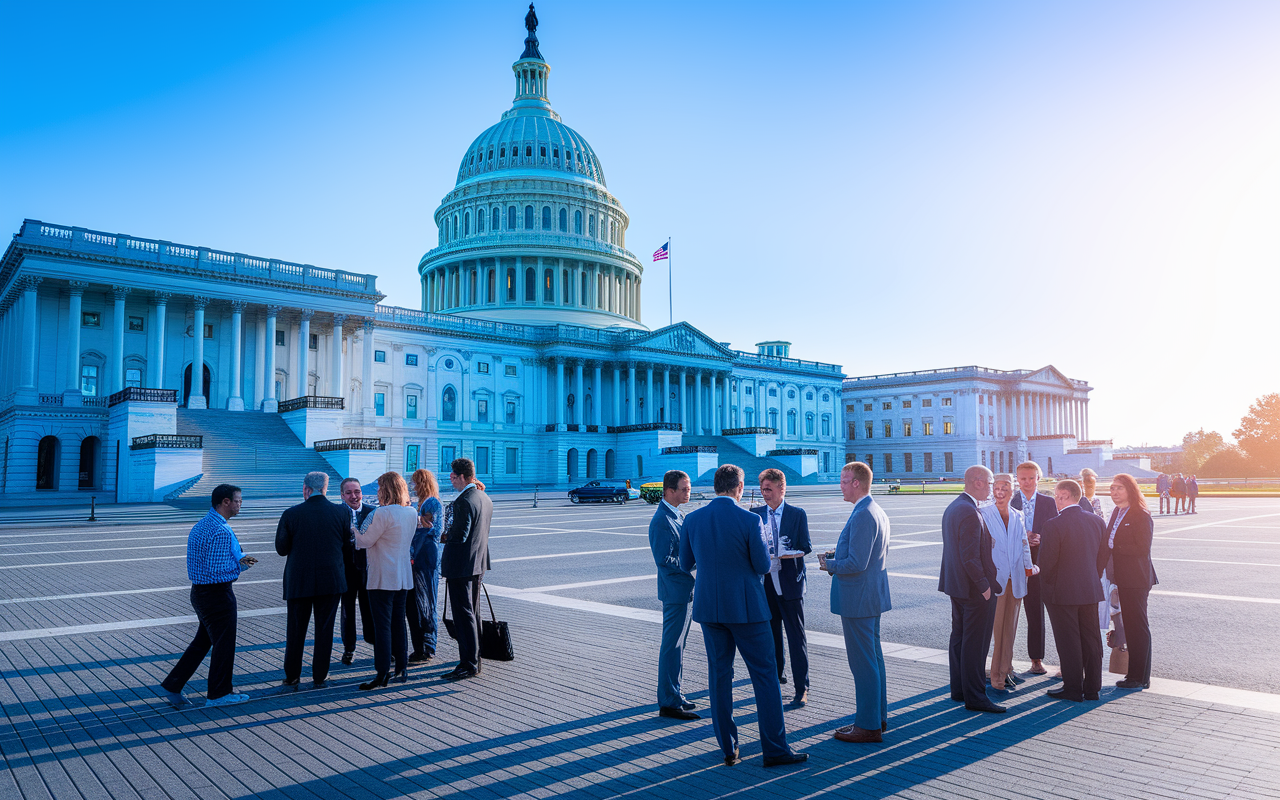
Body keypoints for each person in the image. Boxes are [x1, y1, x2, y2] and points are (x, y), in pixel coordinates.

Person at [679, 465, 807, 768]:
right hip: (748, 609)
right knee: (765, 677)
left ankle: (729, 748)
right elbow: (763, 565)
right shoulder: (750, 519)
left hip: (710, 608)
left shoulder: (693, 519)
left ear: (714, 486)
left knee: (719, 677)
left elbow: (686, 563)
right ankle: (774, 749)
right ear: (739, 486)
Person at [160, 484, 255, 708]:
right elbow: (218, 571)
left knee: (202, 642)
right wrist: (244, 566)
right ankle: (218, 693)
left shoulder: (202, 525)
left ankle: (173, 684)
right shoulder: (221, 530)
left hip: (200, 593)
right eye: (238, 500)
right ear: (225, 502)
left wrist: (239, 561)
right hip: (218, 595)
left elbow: (207, 563)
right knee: (224, 645)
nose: (241, 504)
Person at [821, 461, 891, 743]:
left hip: (858, 598)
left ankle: (867, 725)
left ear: (857, 483)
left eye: (844, 479)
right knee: (873, 660)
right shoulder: (873, 509)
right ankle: (877, 718)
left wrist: (830, 564)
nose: (841, 484)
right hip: (869, 596)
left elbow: (856, 563)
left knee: (863, 664)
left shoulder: (863, 514)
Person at [275, 471, 350, 689]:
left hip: (299, 580)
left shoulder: (291, 514)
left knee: (296, 630)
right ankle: (320, 675)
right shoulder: (341, 512)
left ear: (306, 489)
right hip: (331, 579)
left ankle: (292, 676)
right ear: (325, 488)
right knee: (325, 630)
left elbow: (281, 549)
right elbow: (347, 545)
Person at [939, 465, 1003, 713]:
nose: (991, 488)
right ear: (977, 482)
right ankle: (976, 697)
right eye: (989, 483)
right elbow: (969, 557)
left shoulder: (955, 506)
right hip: (974, 589)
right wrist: (985, 587)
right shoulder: (969, 511)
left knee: (960, 639)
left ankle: (960, 690)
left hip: (957, 586)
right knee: (975, 644)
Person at [1039, 479, 1106, 702]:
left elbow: (1047, 563)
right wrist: (1091, 576)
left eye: (1057, 496)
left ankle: (1073, 688)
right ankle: (1093, 687)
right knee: (1091, 639)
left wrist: (1046, 587)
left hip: (1062, 593)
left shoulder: (1053, 525)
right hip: (1089, 588)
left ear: (1064, 496)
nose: (1055, 501)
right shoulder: (1096, 521)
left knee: (1068, 641)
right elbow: (1102, 556)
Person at [750, 468, 812, 706]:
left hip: (790, 583)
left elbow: (805, 546)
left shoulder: (797, 514)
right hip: (766, 585)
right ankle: (776, 677)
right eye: (763, 489)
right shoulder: (755, 514)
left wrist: (787, 552)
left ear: (781, 489)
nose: (765, 494)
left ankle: (801, 688)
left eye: (768, 489)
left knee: (796, 637)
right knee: (771, 634)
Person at [354, 471, 417, 689]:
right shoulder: (410, 512)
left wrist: (353, 529)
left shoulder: (383, 514)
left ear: (386, 490)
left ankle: (382, 674)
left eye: (380, 487)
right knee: (399, 623)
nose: (378, 491)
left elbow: (365, 541)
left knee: (382, 627)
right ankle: (402, 668)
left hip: (382, 577)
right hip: (402, 578)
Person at [1100, 473, 1158, 690]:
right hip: (1121, 578)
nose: (1114, 492)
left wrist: (1117, 548)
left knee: (1137, 626)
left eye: (1119, 489)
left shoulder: (1140, 514)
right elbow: (1107, 543)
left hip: (1136, 578)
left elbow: (1143, 548)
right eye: (1112, 488)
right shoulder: (1117, 512)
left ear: (1130, 490)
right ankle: (1137, 676)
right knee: (1131, 626)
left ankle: (1139, 677)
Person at [649, 469, 698, 721]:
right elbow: (664, 560)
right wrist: (694, 562)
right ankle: (668, 702)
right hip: (675, 592)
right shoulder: (662, 520)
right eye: (684, 489)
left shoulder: (676, 515)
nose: (688, 492)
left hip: (683, 591)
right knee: (671, 647)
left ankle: (675, 695)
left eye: (688, 488)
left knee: (678, 646)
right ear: (669, 491)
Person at [440, 457, 494, 682]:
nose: (451, 480)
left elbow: (459, 536)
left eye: (453, 476)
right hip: (477, 563)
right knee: (473, 613)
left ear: (463, 477)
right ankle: (475, 658)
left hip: (461, 565)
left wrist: (442, 536)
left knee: (463, 615)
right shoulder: (484, 497)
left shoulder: (463, 501)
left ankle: (468, 664)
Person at [981, 473, 1035, 692]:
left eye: (1006, 488)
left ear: (1012, 492)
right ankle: (996, 678)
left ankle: (1006, 671)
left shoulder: (1018, 514)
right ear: (992, 490)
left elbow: (1024, 544)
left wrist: (1029, 568)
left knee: (1010, 630)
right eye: (997, 488)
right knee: (996, 630)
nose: (1001, 492)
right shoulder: (983, 514)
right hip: (995, 581)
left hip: (1016, 580)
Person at [1011, 461, 1058, 675]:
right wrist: (1024, 538)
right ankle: (1033, 659)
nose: (1027, 482)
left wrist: (1042, 537)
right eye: (1023, 478)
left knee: (1049, 612)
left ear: (1038, 478)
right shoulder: (1011, 501)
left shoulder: (1049, 502)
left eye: (1031, 478)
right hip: (1018, 564)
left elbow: (1058, 529)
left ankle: (1058, 660)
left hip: (1044, 564)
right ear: (1017, 479)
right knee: (1027, 613)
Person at [408, 469, 445, 663]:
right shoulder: (424, 502)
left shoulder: (431, 502)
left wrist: (419, 522)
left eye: (415, 483)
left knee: (428, 602)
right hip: (423, 558)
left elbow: (436, 530)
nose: (413, 486)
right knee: (422, 602)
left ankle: (429, 647)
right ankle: (424, 645)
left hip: (427, 559)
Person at [338, 478, 376, 665]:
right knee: (347, 610)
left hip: (368, 570)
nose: (354, 496)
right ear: (342, 495)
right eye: (349, 493)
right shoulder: (337, 514)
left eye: (357, 492)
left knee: (370, 608)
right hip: (346, 570)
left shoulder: (373, 512)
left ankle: (377, 644)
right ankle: (348, 648)